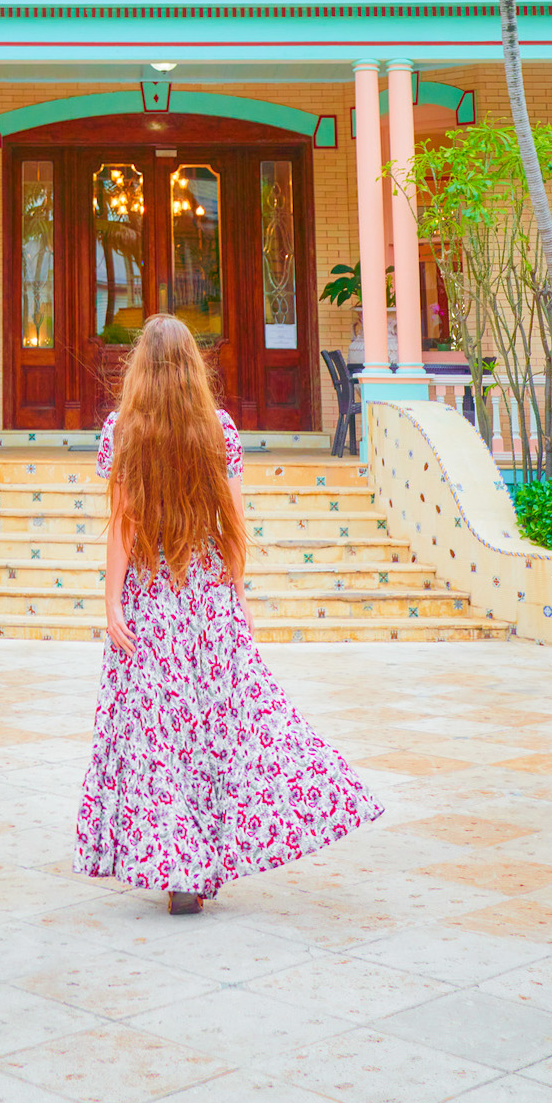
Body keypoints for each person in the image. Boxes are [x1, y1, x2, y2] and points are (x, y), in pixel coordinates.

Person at [74, 314, 383, 915]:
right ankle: (205, 856)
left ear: (141, 368)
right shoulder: (221, 431)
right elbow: (233, 526)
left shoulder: (122, 430)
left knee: (158, 733)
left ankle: (178, 866)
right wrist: (233, 596)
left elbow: (123, 523)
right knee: (221, 727)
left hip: (150, 597)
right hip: (207, 594)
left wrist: (112, 598)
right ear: (194, 368)